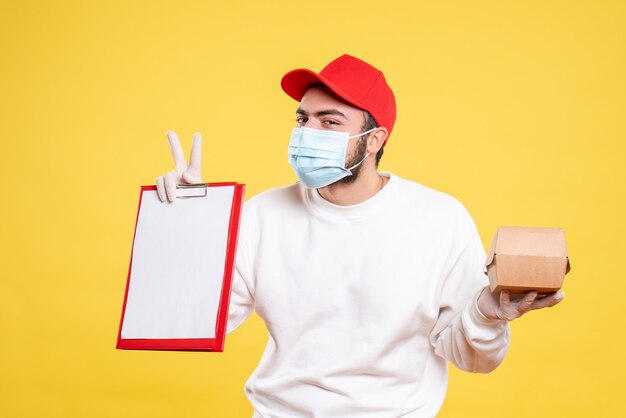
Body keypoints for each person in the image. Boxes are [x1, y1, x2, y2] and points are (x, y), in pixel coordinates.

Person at [155, 54, 564, 418]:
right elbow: (190, 323)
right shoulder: (262, 216)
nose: (307, 132)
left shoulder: (439, 219)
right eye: (303, 119)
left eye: (329, 121)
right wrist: (193, 227)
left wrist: (485, 313)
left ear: (374, 140)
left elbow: (473, 359)